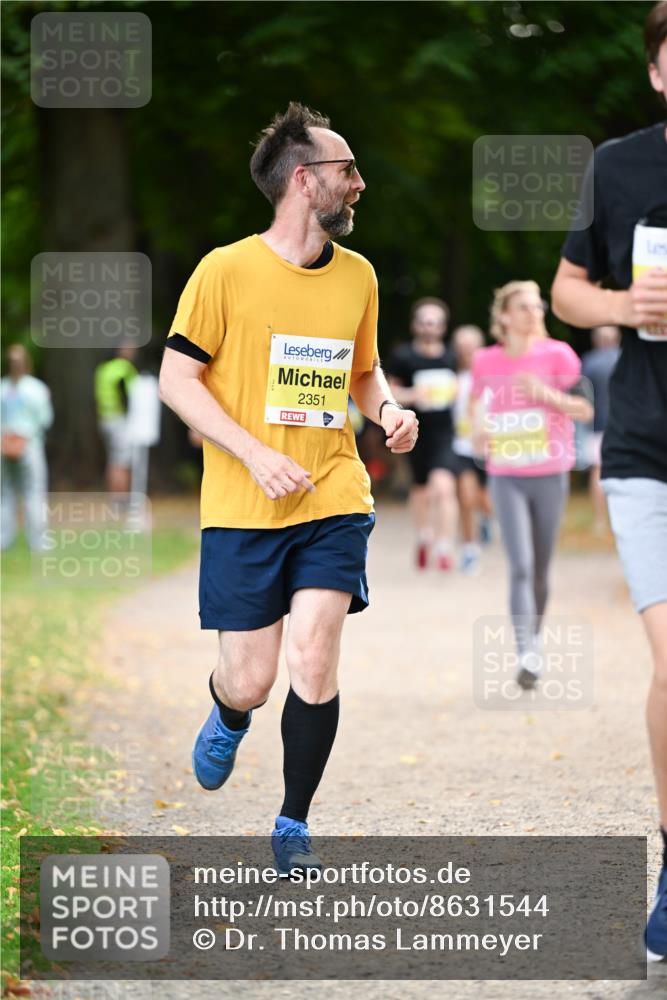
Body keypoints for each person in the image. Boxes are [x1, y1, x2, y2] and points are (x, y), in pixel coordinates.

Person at [158, 102, 418, 875]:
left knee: (313, 656)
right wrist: (250, 453)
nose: (360, 184)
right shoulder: (224, 270)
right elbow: (177, 377)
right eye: (347, 172)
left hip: (332, 493)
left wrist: (390, 411)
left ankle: (292, 819)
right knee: (253, 678)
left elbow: (362, 373)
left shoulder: (358, 276)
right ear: (304, 181)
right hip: (242, 505)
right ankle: (228, 711)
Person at [551, 0, 667, 961]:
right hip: (647, 450)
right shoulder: (618, 166)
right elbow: (562, 290)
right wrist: (622, 302)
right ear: (659, 72)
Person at [470, 281, 593, 689]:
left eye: (537, 307)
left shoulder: (558, 354)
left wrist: (545, 394)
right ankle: (527, 652)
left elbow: (585, 409)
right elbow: (475, 411)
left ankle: (535, 637)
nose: (533, 313)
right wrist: (480, 432)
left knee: (540, 569)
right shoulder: (485, 361)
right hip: (506, 474)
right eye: (523, 307)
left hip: (550, 472)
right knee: (520, 565)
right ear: (504, 316)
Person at [386, 298, 458, 570]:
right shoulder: (404, 356)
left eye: (436, 321)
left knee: (444, 486)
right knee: (421, 490)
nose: (430, 326)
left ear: (443, 326)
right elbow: (390, 393)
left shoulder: (450, 355)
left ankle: (444, 545)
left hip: (445, 432)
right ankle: (424, 535)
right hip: (415, 430)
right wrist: (414, 395)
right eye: (425, 321)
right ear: (415, 324)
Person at [1, 343, 53, 551]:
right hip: (29, 444)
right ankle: (39, 541)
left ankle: (4, 539)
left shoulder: (3, 387)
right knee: (34, 491)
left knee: (6, 492)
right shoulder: (37, 388)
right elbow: (46, 419)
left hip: (6, 443)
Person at [450, 324, 493, 574]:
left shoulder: (493, 379)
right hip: (462, 446)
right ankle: (469, 550)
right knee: (466, 498)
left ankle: (487, 519)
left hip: (491, 449)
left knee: (486, 500)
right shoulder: (454, 379)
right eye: (463, 349)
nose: (468, 354)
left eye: (472, 348)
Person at [581, 325, 621, 534]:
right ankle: (621, 518)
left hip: (596, 425)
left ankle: (600, 520)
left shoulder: (589, 362)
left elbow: (580, 394)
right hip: (626, 426)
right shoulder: (626, 359)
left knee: (597, 472)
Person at [94, 345, 138, 493]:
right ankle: (122, 499)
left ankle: (114, 496)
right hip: (120, 419)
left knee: (113, 460)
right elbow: (133, 394)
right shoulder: (124, 368)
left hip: (104, 419)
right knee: (122, 462)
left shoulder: (103, 369)